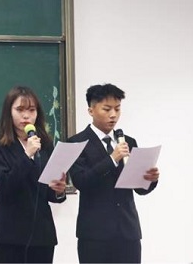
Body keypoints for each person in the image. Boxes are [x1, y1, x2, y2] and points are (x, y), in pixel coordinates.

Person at [68, 83, 160, 263]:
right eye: (107, 109)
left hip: (128, 232)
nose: (113, 115)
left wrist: (150, 179)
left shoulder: (128, 141)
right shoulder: (77, 142)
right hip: (95, 235)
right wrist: (112, 159)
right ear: (91, 110)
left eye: (117, 109)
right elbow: (81, 182)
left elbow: (139, 189)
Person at [0, 86, 67, 263]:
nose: (26, 116)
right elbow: (6, 184)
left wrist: (58, 190)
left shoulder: (45, 144)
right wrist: (27, 154)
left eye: (31, 110)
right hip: (10, 236)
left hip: (42, 236)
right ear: (9, 112)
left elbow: (46, 193)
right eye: (20, 110)